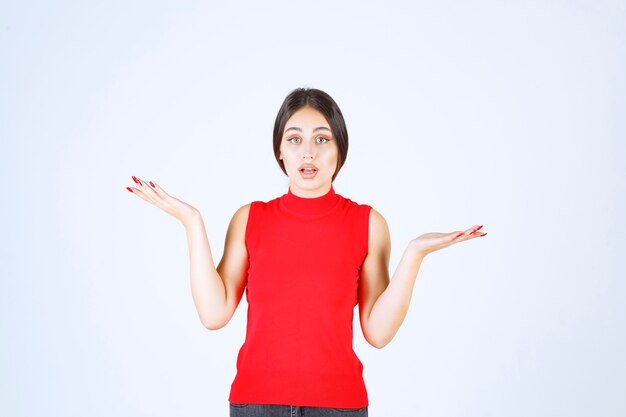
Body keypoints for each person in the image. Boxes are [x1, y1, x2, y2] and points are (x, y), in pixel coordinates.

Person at [125, 87, 487, 416]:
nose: (308, 152)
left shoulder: (368, 223)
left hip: (339, 407)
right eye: (294, 139)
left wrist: (414, 255)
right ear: (280, 151)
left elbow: (377, 333)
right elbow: (213, 313)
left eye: (322, 139)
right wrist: (191, 221)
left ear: (340, 149)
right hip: (255, 405)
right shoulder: (250, 218)